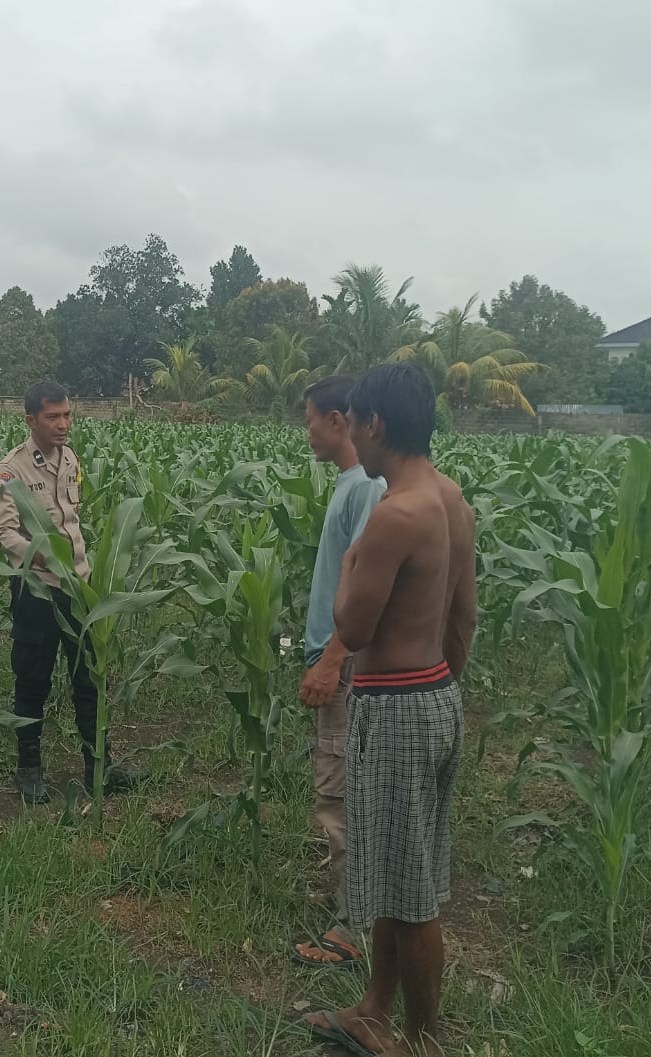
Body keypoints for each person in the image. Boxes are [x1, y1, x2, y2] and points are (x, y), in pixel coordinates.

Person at [304, 362, 476, 1057]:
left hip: (396, 709)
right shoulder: (451, 498)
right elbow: (464, 617)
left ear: (374, 424)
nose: (352, 435)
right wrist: (441, 691)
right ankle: (374, 1009)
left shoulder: (394, 515)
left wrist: (350, 566)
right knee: (391, 868)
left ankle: (423, 1038)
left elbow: (354, 624)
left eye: (355, 422)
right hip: (435, 694)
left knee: (411, 894)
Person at [0, 381, 138, 805]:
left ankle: (99, 765)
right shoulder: (12, 470)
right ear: (31, 420)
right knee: (32, 679)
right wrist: (45, 559)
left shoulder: (70, 458)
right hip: (38, 590)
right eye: (53, 416)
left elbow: (71, 518)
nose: (63, 424)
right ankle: (29, 768)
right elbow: (6, 533)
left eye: (67, 415)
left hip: (79, 588)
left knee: (89, 679)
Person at [291, 376, 384, 968]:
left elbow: (368, 588)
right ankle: (350, 900)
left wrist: (332, 659)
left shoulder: (366, 488)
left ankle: (354, 927)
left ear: (336, 421)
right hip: (337, 657)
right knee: (340, 783)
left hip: (345, 663)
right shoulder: (352, 484)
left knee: (342, 788)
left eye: (310, 420)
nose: (307, 432)